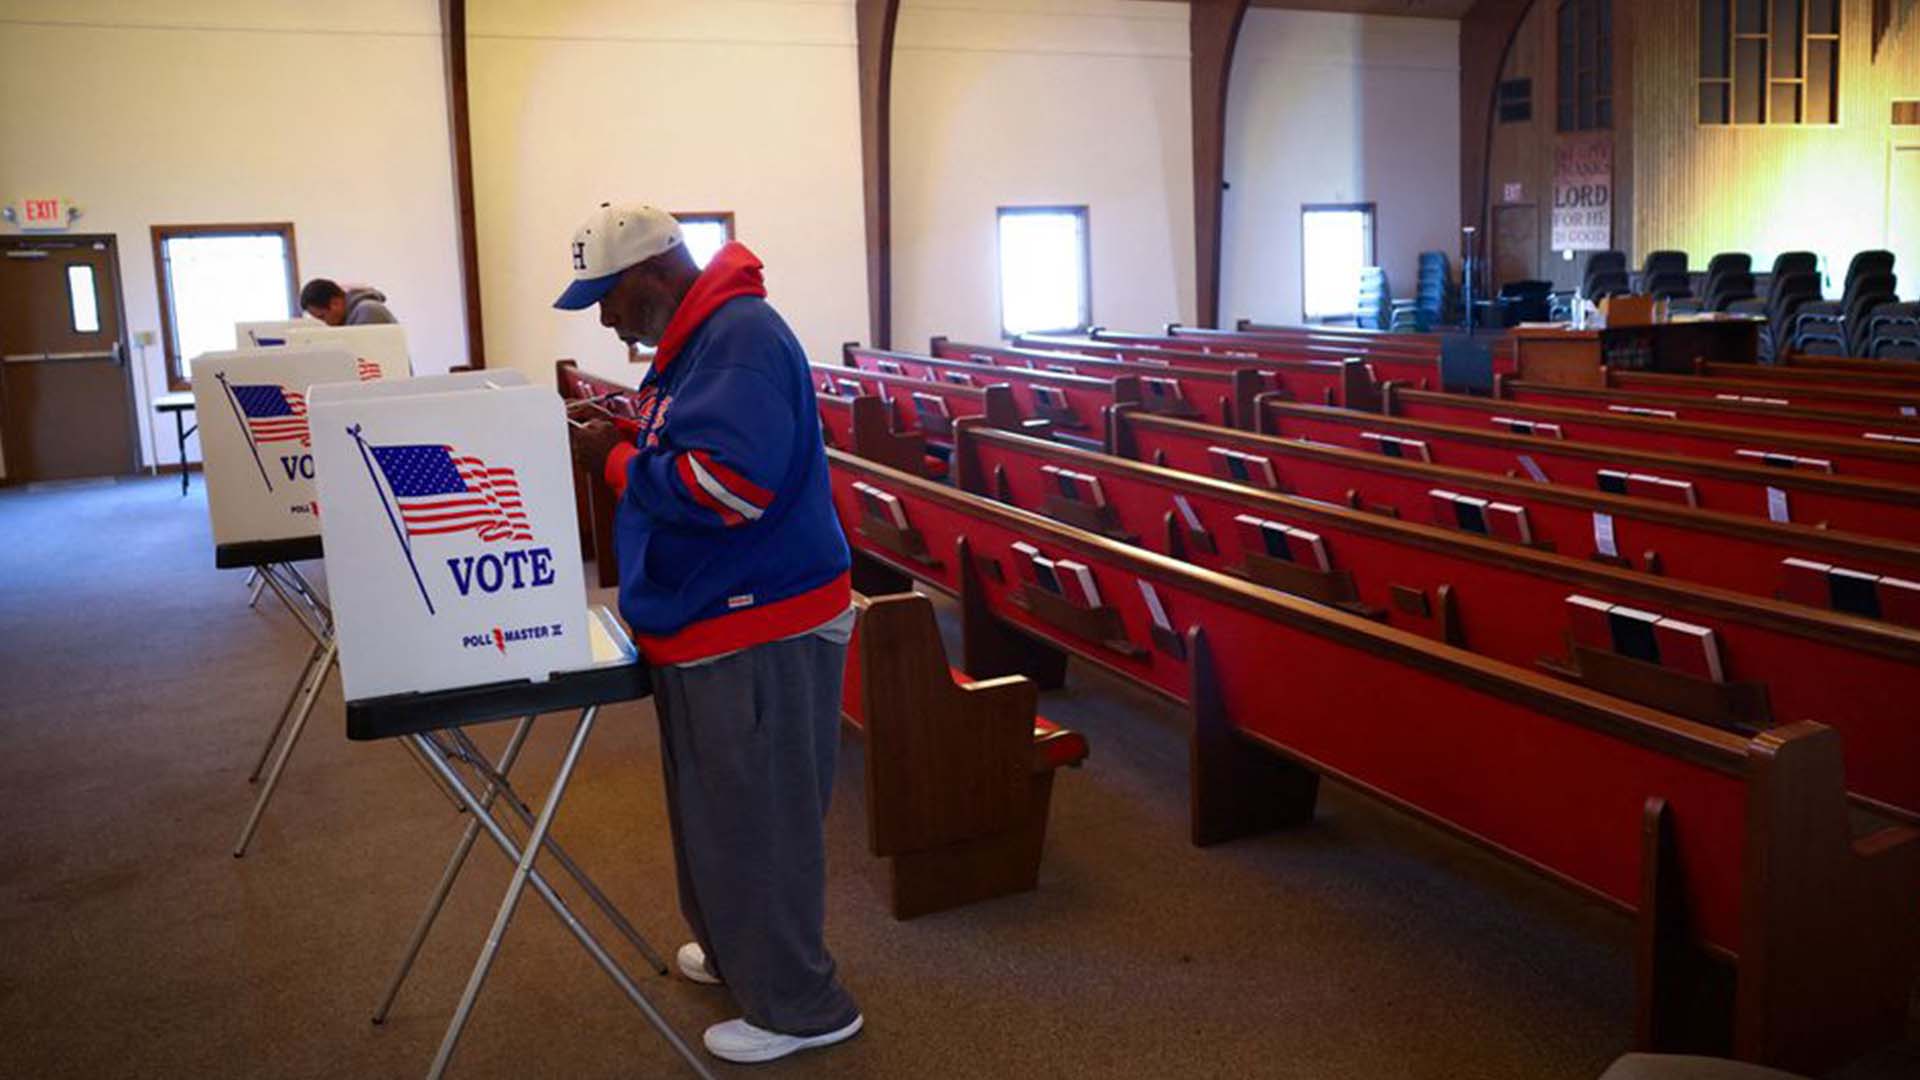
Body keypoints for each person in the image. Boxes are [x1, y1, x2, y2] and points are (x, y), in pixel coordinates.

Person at [556, 203, 862, 1065]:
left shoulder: (738, 338)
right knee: (718, 812)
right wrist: (625, 435)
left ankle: (802, 1005)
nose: (605, 320)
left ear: (653, 274)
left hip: (758, 619)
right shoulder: (696, 338)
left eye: (608, 298)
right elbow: (684, 440)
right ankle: (740, 956)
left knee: (762, 819)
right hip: (706, 616)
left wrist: (615, 461)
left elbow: (730, 488)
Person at [299, 278, 397, 325]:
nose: (324, 323)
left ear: (335, 303)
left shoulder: (368, 311)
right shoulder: (347, 318)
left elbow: (365, 354)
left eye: (322, 317)